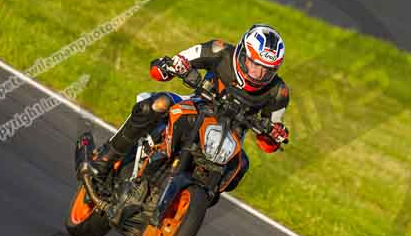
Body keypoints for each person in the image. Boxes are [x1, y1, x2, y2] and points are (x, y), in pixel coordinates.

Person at [88, 24, 290, 191]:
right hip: (197, 107)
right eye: (255, 64)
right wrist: (171, 67)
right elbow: (171, 64)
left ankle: (198, 197)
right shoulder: (218, 50)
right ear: (242, 53)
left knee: (241, 166)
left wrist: (275, 133)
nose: (258, 74)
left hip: (230, 136)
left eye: (267, 70)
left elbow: (270, 137)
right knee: (159, 104)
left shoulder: (278, 91)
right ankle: (106, 156)